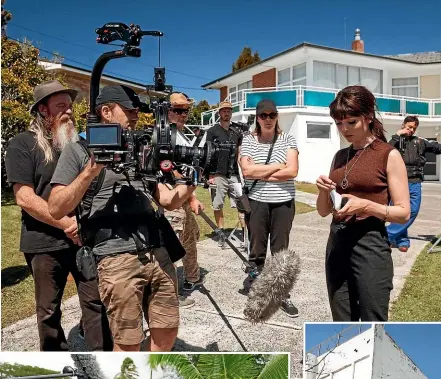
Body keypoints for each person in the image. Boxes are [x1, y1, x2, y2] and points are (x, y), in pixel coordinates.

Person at [48, 85, 196, 352]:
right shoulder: (79, 150)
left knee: (167, 330)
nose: (136, 115)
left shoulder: (141, 149)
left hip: (157, 250)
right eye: (129, 109)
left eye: (137, 110)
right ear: (105, 111)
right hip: (116, 256)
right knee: (127, 342)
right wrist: (91, 170)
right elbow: (56, 207)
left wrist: (192, 181)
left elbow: (167, 199)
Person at [4, 80, 112, 351]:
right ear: (43, 110)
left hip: (83, 241)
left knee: (96, 302)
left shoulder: (79, 146)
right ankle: (55, 359)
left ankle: (103, 360)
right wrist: (67, 224)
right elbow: (24, 198)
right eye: (61, 106)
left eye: (70, 106)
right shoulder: (22, 144)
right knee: (48, 311)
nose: (69, 112)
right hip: (43, 243)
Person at [316, 85, 411, 321]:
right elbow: (323, 211)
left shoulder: (388, 154)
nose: (344, 129)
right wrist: (322, 191)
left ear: (368, 117)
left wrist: (366, 206)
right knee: (342, 320)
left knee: (373, 318)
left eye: (351, 122)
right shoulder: (340, 156)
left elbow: (403, 213)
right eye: (339, 123)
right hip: (337, 242)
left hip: (369, 242)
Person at [239, 99, 300, 318]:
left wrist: (261, 170)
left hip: (283, 202)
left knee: (280, 250)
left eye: (271, 115)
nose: (267, 119)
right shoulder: (248, 140)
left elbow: (292, 171)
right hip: (257, 201)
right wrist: (277, 166)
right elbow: (247, 171)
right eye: (263, 115)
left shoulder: (288, 139)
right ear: (257, 117)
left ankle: (281, 294)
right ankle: (256, 285)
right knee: (256, 247)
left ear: (277, 116)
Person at [165, 92, 205, 305]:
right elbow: (171, 171)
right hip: (172, 201)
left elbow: (187, 171)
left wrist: (193, 196)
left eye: (185, 110)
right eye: (178, 110)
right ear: (167, 111)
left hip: (185, 197)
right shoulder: (165, 135)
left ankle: (192, 276)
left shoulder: (182, 135)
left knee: (190, 239)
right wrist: (191, 198)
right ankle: (170, 295)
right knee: (171, 247)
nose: (183, 114)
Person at [387, 116, 441, 252]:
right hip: (397, 182)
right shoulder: (395, 140)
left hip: (415, 181)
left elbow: (436, 147)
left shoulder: (420, 142)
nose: (411, 130)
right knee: (397, 212)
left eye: (413, 128)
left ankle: (386, 235)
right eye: (409, 127)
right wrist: (397, 135)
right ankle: (401, 240)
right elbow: (385, 152)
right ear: (403, 125)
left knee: (413, 211)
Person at [206, 101, 246, 246]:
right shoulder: (212, 131)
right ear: (219, 113)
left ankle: (244, 236)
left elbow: (240, 153)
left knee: (242, 204)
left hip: (234, 173)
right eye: (224, 110)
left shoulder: (236, 131)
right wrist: (209, 175)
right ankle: (221, 234)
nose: (227, 113)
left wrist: (244, 171)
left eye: (229, 110)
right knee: (218, 204)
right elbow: (208, 153)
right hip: (218, 173)